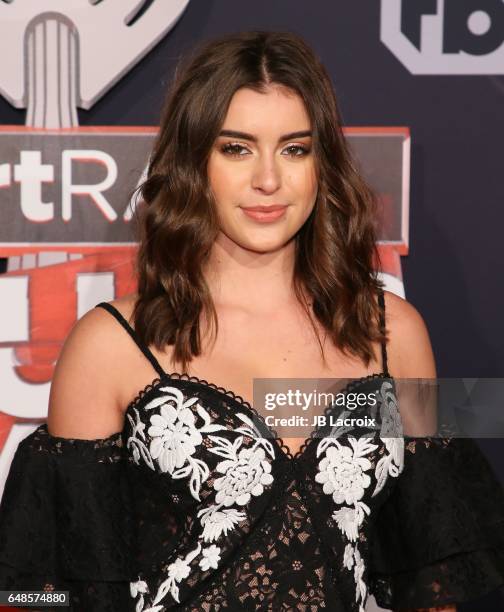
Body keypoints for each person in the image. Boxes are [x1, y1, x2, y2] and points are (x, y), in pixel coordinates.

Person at [0, 30, 503, 612]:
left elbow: (431, 572)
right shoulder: (112, 346)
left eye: (295, 149)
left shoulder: (393, 335)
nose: (269, 179)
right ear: (193, 161)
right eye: (236, 148)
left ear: (323, 163)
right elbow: (48, 592)